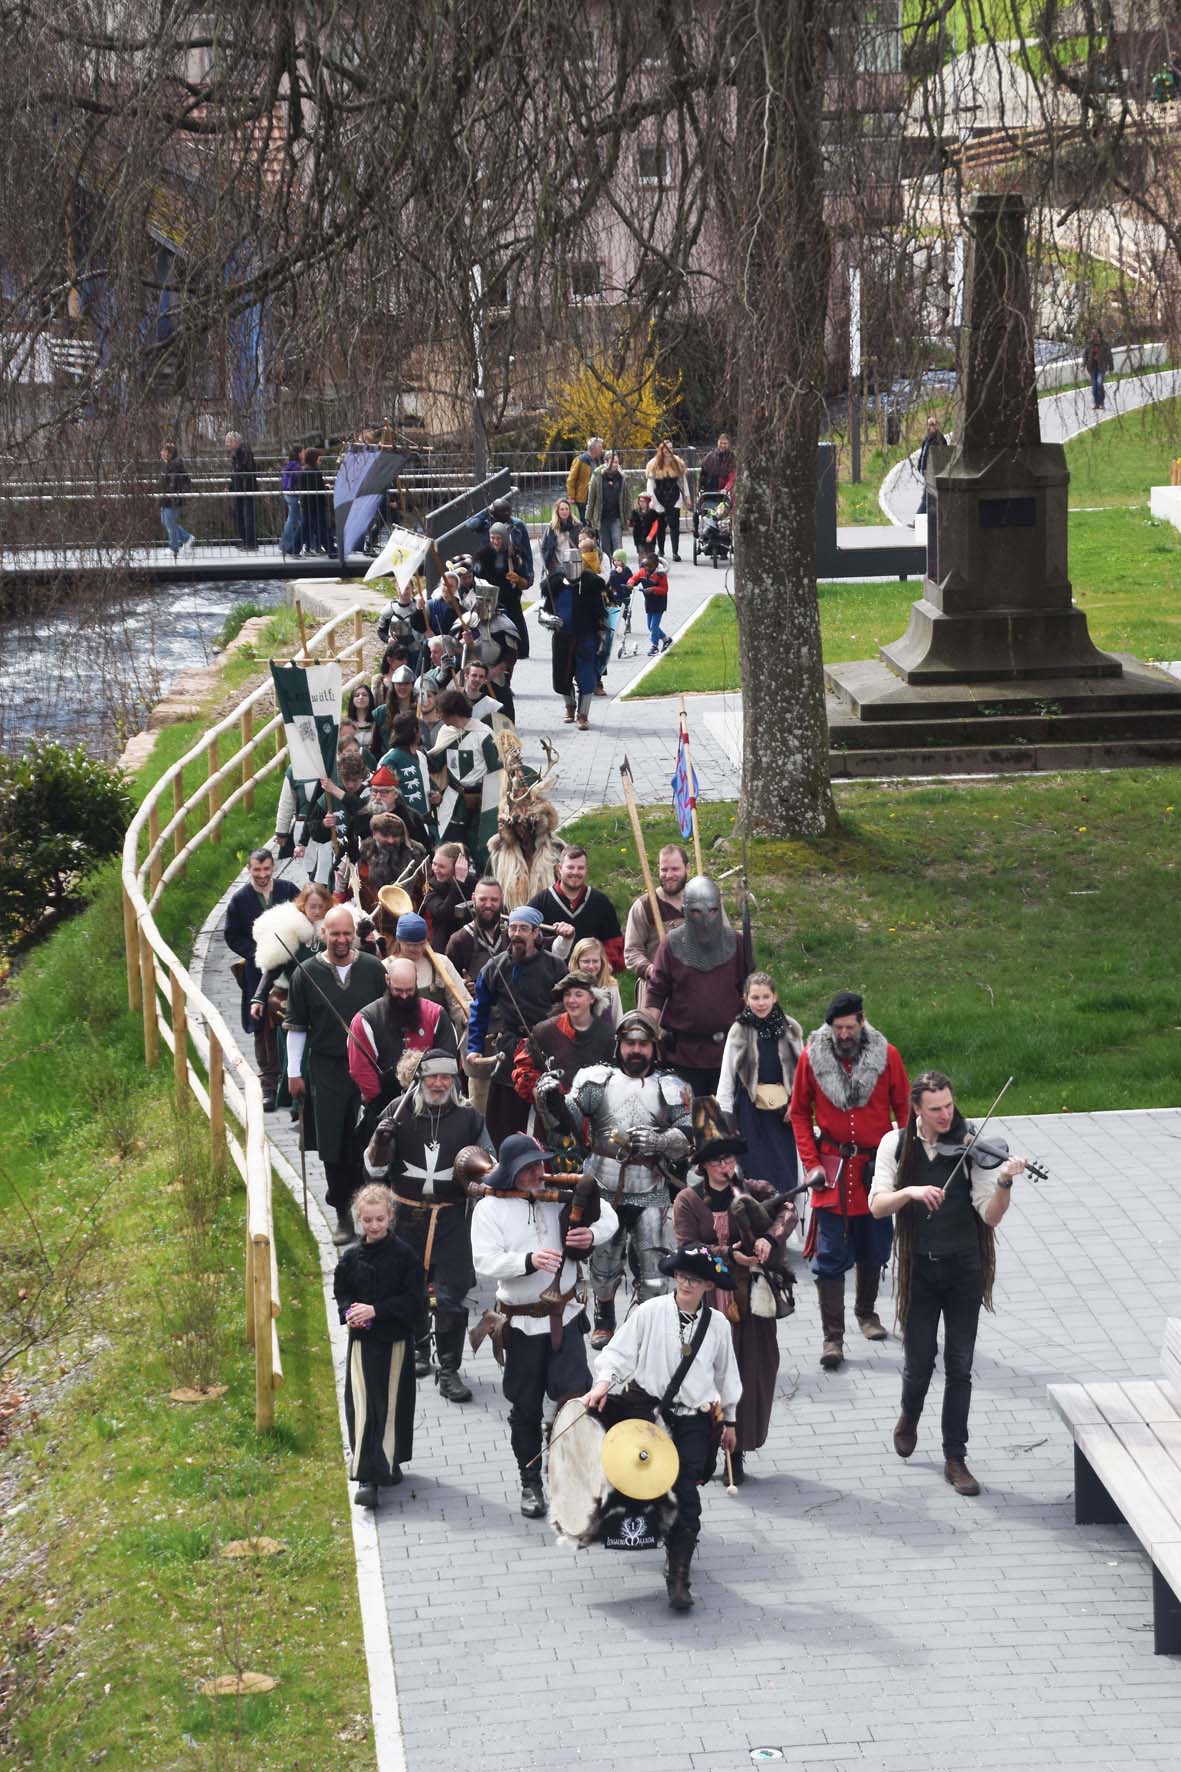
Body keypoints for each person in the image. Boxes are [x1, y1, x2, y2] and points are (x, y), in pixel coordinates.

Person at [869, 1070, 1028, 1496]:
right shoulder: (894, 1144)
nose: (946, 1115)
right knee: (919, 1361)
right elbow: (877, 1205)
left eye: (949, 1106)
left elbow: (990, 1214)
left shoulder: (971, 1146)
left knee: (960, 1365)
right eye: (935, 1109)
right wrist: (911, 1192)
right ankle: (909, 1415)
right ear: (916, 1110)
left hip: (964, 1269)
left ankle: (955, 1457)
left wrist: (1004, 1183)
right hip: (919, 1269)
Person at [581, 1242, 740, 1611]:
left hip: (693, 1419)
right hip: (646, 1412)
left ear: (708, 1285)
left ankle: (678, 1573)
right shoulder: (649, 1312)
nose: (686, 1284)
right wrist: (603, 1383)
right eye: (682, 1276)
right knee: (635, 1482)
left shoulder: (718, 1325)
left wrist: (730, 1421)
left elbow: (727, 1376)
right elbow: (618, 1353)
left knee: (686, 1494)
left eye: (695, 1279)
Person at [470, 1133, 619, 1518]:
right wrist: (528, 1260)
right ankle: (530, 1482)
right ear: (511, 1171)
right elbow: (484, 1261)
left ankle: (575, 1480)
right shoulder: (489, 1208)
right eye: (528, 1168)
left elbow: (609, 1215)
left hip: (565, 1318)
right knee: (525, 1409)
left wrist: (591, 1234)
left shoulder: (560, 1195)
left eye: (540, 1164)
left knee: (576, 1401)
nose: (539, 1172)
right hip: (519, 1324)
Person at [672, 1104, 795, 1485]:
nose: (726, 1166)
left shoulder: (754, 1190)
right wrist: (728, 1254)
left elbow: (788, 1210)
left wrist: (770, 1238)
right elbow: (687, 1248)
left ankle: (736, 1452)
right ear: (703, 1165)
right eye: (717, 1160)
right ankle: (706, 1447)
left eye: (729, 1158)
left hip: (751, 1303)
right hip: (708, 1303)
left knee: (751, 1372)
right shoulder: (688, 1201)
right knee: (707, 1375)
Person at [788, 990, 910, 1370]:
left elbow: (904, 1107)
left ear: (861, 1021)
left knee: (875, 1246)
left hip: (876, 1168)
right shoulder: (811, 1058)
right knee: (829, 1255)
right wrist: (811, 1163)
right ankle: (832, 1338)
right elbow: (798, 1112)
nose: (843, 1034)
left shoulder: (887, 1056)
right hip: (833, 1170)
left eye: (849, 1027)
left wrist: (906, 1156)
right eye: (837, 1028)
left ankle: (867, 1313)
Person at [366, 1049, 491, 1399]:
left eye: (446, 1077)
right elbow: (374, 1169)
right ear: (419, 1079)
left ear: (454, 1080)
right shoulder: (397, 1111)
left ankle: (449, 1370)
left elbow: (488, 1165)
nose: (439, 1083)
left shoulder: (469, 1118)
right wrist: (380, 1142)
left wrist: (483, 1175)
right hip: (406, 1219)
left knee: (451, 1296)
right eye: (432, 1076)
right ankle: (419, 1349)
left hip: (452, 1220)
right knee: (411, 1288)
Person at [563, 1009, 693, 1347]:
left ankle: (647, 1326)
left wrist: (660, 1141)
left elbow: (688, 1136)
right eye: (630, 1043)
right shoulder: (596, 1080)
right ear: (619, 1045)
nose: (636, 1049)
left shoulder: (672, 1085)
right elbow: (566, 1121)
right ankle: (604, 1318)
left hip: (651, 1184)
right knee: (603, 1261)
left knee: (654, 1265)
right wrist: (548, 1098)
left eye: (643, 1043)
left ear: (653, 1047)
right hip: (602, 1184)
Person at [285, 905, 387, 1245]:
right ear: (323, 934)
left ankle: (372, 1213)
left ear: (354, 934)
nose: (341, 939)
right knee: (333, 1144)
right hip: (326, 1068)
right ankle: (343, 1213)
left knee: (367, 1141)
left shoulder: (372, 969)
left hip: (367, 1067)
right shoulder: (305, 974)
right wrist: (293, 1071)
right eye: (335, 934)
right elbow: (297, 1027)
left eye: (347, 933)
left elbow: (385, 1017)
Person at [334, 1182, 422, 1507]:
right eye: (368, 1220)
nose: (374, 1225)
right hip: (363, 1342)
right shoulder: (351, 1258)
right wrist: (349, 1313)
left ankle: (390, 1459)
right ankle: (367, 1476)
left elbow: (413, 1300)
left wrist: (377, 1311)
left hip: (394, 1341)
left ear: (390, 1218)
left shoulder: (404, 1256)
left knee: (392, 1403)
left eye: (379, 1219)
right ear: (359, 1220)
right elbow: (342, 1292)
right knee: (363, 1405)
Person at [465, 905, 565, 1146]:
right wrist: (474, 1047)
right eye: (513, 928)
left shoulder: (555, 966)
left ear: (536, 933)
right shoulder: (495, 967)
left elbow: (566, 1008)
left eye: (523, 928)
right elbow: (480, 1009)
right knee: (504, 1121)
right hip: (510, 1049)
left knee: (550, 1115)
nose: (516, 934)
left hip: (546, 1047)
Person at [645, 875, 746, 1096]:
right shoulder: (671, 944)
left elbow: (749, 991)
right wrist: (646, 1033)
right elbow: (656, 993)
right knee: (686, 1115)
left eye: (712, 910)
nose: (706, 919)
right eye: (698, 912)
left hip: (728, 1051)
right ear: (686, 911)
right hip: (682, 1054)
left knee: (726, 1115)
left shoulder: (736, 943)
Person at [223, 849, 301, 1109]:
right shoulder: (240, 900)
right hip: (257, 971)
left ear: (273, 867)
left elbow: (304, 918)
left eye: (266, 869)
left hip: (290, 969)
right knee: (262, 1025)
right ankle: (268, 1084)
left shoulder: (288, 890)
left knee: (292, 1020)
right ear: (249, 869)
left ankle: (294, 1081)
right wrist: (257, 952)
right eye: (256, 870)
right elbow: (232, 935)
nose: (262, 875)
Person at [511, 971, 615, 1157]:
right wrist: (541, 1091)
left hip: (593, 1127)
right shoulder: (544, 1031)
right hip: (551, 1125)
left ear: (592, 998)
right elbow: (524, 1068)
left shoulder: (608, 1036)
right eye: (567, 994)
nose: (572, 1000)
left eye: (578, 994)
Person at [717, 971, 803, 1190]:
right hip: (750, 1115)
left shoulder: (791, 1029)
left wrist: (796, 1104)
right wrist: (726, 1122)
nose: (761, 1003)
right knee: (754, 1175)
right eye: (755, 997)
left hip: (782, 1116)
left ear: (775, 997)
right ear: (746, 999)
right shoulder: (738, 1031)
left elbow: (803, 1076)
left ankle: (786, 1210)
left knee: (786, 1175)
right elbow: (726, 1079)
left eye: (766, 997)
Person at [347, 955, 458, 1118]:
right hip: (383, 1105)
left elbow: (447, 1059)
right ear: (387, 980)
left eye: (409, 990)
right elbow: (360, 1068)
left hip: (431, 1102)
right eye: (398, 991)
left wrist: (432, 1095)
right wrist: (381, 1103)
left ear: (416, 981)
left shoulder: (436, 1015)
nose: (404, 996)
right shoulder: (365, 1020)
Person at [431, 689, 503, 869]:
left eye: (441, 712)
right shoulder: (446, 732)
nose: (439, 716)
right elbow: (436, 764)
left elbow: (496, 771)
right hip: (455, 799)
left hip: (481, 799)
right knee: (450, 846)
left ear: (451, 712)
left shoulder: (483, 734)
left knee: (481, 849)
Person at [528, 845, 624, 973]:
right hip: (552, 976)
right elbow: (528, 940)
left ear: (586, 870)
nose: (575, 872)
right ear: (559, 869)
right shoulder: (540, 902)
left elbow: (613, 941)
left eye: (580, 868)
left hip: (590, 976)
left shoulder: (601, 902)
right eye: (570, 867)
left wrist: (606, 965)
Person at [541, 545, 607, 730]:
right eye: (570, 563)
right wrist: (549, 619)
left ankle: (583, 715)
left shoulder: (591, 585)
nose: (573, 566)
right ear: (564, 564)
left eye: (576, 562)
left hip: (586, 638)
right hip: (562, 639)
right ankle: (570, 706)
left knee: (586, 677)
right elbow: (544, 612)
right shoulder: (554, 586)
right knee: (562, 676)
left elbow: (601, 616)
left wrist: (602, 641)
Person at [383, 910, 470, 1042]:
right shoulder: (386, 967)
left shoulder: (441, 964)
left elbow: (458, 1002)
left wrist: (466, 1016)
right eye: (411, 945)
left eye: (421, 943)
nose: (417, 949)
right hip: (399, 1038)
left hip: (437, 1038)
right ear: (399, 940)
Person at [624, 844, 688, 1010]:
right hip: (657, 994)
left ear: (687, 868)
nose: (669, 875)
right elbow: (631, 952)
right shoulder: (644, 906)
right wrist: (651, 969)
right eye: (664, 869)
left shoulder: (702, 900)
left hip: (695, 990)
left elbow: (724, 939)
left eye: (675, 869)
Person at [475, 521, 532, 659]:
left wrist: (518, 579)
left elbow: (527, 581)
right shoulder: (482, 555)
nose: (495, 541)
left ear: (505, 538)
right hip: (491, 602)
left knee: (520, 642)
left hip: (512, 599)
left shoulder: (516, 554)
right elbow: (476, 579)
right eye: (492, 538)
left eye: (498, 538)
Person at [445, 875, 507, 987]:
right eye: (483, 899)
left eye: (494, 900)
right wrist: (463, 987)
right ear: (473, 898)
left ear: (502, 899)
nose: (488, 905)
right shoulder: (459, 940)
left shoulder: (512, 934)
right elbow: (449, 983)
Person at [555, 934, 622, 1026]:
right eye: (586, 961)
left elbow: (618, 1019)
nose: (591, 966)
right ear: (577, 962)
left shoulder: (610, 985)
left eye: (595, 961)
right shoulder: (567, 985)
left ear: (602, 962)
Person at [645, 439, 692, 561]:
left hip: (674, 496)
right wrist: (651, 498)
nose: (668, 451)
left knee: (674, 525)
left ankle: (675, 552)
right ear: (661, 450)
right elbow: (650, 483)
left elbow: (683, 481)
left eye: (670, 448)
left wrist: (687, 497)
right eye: (666, 448)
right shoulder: (654, 463)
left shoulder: (677, 462)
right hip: (659, 497)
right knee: (660, 525)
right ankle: (661, 551)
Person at [419, 843, 471, 952]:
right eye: (434, 864)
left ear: (456, 867)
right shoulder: (430, 886)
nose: (436, 870)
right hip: (443, 945)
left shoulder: (472, 883)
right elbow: (441, 913)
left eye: (442, 866)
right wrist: (458, 883)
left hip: (467, 943)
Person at [586, 449, 631, 559]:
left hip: (616, 516)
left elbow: (627, 499)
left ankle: (619, 566)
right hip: (602, 517)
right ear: (606, 462)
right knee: (605, 545)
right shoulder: (597, 477)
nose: (615, 465)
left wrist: (628, 516)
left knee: (617, 544)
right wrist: (588, 516)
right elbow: (591, 498)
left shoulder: (622, 478)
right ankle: (608, 565)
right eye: (612, 462)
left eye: (616, 462)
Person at [629, 553, 671, 656]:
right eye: (646, 565)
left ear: (656, 565)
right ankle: (666, 639)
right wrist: (630, 583)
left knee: (654, 626)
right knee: (650, 626)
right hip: (649, 602)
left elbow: (664, 589)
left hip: (659, 602)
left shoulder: (660, 575)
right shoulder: (642, 572)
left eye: (650, 566)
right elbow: (634, 578)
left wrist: (653, 589)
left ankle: (654, 646)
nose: (647, 568)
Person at [159, 443, 194, 557]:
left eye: (164, 451)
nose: (161, 453)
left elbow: (174, 483)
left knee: (170, 523)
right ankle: (186, 537)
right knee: (166, 521)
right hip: (166, 498)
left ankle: (174, 547)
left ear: (170, 453)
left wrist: (175, 495)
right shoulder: (166, 464)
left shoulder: (175, 465)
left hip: (173, 499)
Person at [225, 431, 258, 550]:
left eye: (229, 442)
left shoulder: (244, 452)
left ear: (236, 442)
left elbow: (244, 470)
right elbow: (234, 473)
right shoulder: (235, 454)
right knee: (239, 515)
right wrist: (230, 486)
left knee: (248, 516)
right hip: (239, 488)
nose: (227, 444)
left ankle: (250, 543)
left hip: (246, 488)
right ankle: (244, 540)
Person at [300, 446, 332, 555]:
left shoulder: (305, 470)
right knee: (321, 527)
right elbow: (317, 487)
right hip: (315, 504)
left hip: (308, 503)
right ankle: (331, 549)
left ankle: (293, 549)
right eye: (318, 457)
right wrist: (326, 488)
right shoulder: (314, 471)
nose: (320, 459)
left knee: (307, 527)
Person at [565, 436, 604, 523]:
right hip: (583, 497)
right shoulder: (580, 460)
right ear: (594, 448)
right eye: (600, 447)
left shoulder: (598, 460)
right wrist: (571, 496)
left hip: (596, 495)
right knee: (586, 521)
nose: (602, 450)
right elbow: (571, 479)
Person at [915, 415, 947, 519]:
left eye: (932, 425)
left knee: (926, 498)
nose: (929, 427)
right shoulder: (927, 440)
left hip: (932, 475)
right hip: (925, 473)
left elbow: (941, 460)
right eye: (928, 425)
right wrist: (920, 467)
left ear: (937, 426)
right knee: (928, 499)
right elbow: (923, 455)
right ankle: (925, 520)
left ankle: (918, 520)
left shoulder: (939, 441)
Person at [540, 497, 580, 575]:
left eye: (566, 509)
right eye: (562, 509)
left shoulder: (577, 526)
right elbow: (544, 547)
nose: (564, 511)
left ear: (570, 510)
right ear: (557, 511)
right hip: (557, 567)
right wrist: (548, 563)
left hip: (574, 565)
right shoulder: (551, 528)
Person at [280, 444, 305, 557]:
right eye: (302, 452)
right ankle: (286, 545)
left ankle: (290, 545)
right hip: (293, 494)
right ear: (298, 454)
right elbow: (298, 480)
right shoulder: (296, 466)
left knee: (295, 519)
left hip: (288, 493)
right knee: (293, 520)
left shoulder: (290, 464)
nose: (304, 454)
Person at [1084, 330, 1114, 409]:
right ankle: (1096, 403)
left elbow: (1109, 356)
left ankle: (1101, 402)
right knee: (1094, 387)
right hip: (1092, 368)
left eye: (1096, 336)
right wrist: (1083, 365)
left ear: (1100, 336)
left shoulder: (1105, 344)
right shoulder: (1089, 344)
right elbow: (1085, 355)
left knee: (1099, 384)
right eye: (1094, 336)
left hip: (1101, 368)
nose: (1095, 338)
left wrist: (1111, 367)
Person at [345, 682, 377, 754]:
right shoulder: (346, 724)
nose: (361, 697)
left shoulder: (376, 721)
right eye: (357, 695)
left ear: (370, 699)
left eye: (364, 695)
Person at [630, 491, 661, 560]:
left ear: (647, 502)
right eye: (640, 501)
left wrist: (650, 536)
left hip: (649, 539)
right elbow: (632, 524)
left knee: (650, 557)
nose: (641, 503)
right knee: (641, 555)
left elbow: (655, 526)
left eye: (643, 501)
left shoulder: (653, 513)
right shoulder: (635, 512)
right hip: (639, 538)